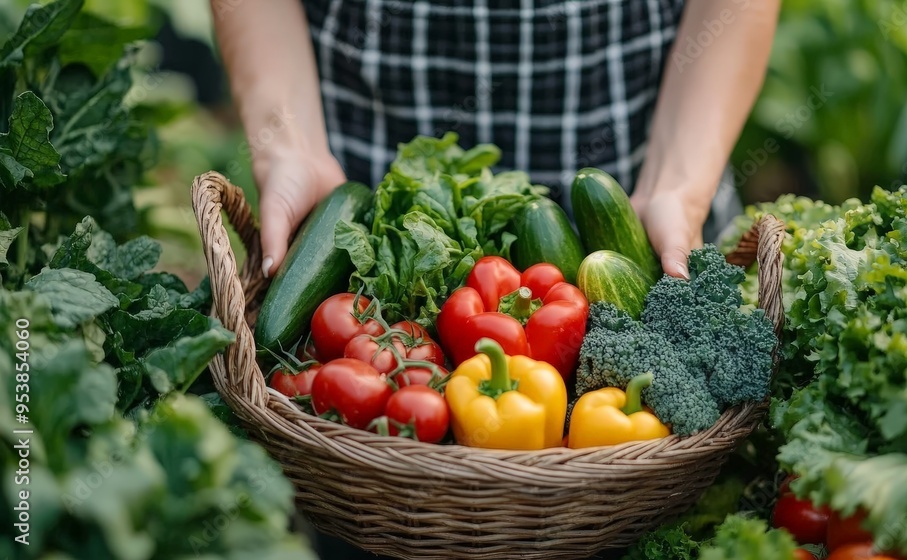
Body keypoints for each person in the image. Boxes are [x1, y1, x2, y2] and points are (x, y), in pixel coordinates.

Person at [211, 0, 778, 557]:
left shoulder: (505, 305)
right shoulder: (455, 314)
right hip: (356, 174)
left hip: (649, 182)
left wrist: (680, 189)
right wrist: (287, 150)